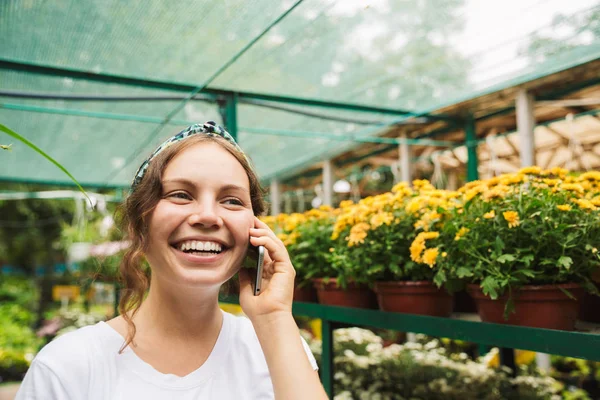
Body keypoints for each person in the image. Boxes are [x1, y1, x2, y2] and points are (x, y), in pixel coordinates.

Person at [16, 121, 328, 399]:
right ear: (140, 224)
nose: (207, 216)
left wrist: (274, 318)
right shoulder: (66, 367)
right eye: (180, 195)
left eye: (231, 201)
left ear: (255, 232)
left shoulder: (280, 349)